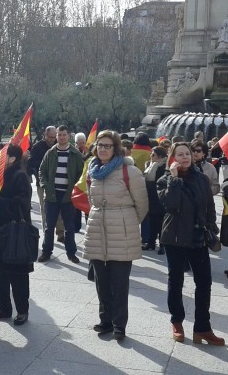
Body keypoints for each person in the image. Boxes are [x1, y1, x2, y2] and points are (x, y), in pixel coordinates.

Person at [157, 142, 224, 346]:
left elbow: (210, 206)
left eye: (188, 153)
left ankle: (203, 328)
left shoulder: (202, 179)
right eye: (180, 154)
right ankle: (177, 321)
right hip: (175, 237)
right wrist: (175, 179)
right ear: (173, 157)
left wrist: (212, 227)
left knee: (204, 283)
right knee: (175, 281)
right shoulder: (165, 180)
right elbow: (171, 204)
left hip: (198, 237)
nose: (185, 157)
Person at [83, 131, 148, 341]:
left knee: (119, 283)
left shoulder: (130, 171)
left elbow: (142, 206)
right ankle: (105, 321)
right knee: (101, 281)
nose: (102, 149)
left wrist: (126, 221)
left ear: (116, 148)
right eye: (100, 145)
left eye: (107, 146)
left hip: (121, 231)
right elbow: (90, 199)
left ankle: (120, 324)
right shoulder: (92, 170)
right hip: (97, 230)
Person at [0, 144, 33, 326]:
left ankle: (22, 310)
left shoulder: (19, 176)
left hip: (13, 232)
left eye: (2, 156)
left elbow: (22, 203)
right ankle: (4, 307)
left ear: (12, 159)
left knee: (17, 275)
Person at [38, 125, 85, 263]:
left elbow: (81, 174)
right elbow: (42, 171)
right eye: (59, 135)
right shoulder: (50, 153)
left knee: (69, 227)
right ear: (56, 136)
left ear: (68, 136)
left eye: (64, 135)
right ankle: (47, 251)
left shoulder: (75, 154)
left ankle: (71, 253)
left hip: (68, 196)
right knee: (49, 226)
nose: (61, 137)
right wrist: (45, 185)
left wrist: (74, 188)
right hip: (52, 196)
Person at [142, 146, 167, 253]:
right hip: (149, 196)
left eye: (153, 155)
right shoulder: (149, 165)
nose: (151, 156)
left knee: (160, 223)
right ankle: (151, 243)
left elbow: (162, 181)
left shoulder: (164, 166)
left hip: (160, 197)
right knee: (151, 221)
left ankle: (162, 245)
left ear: (160, 156)